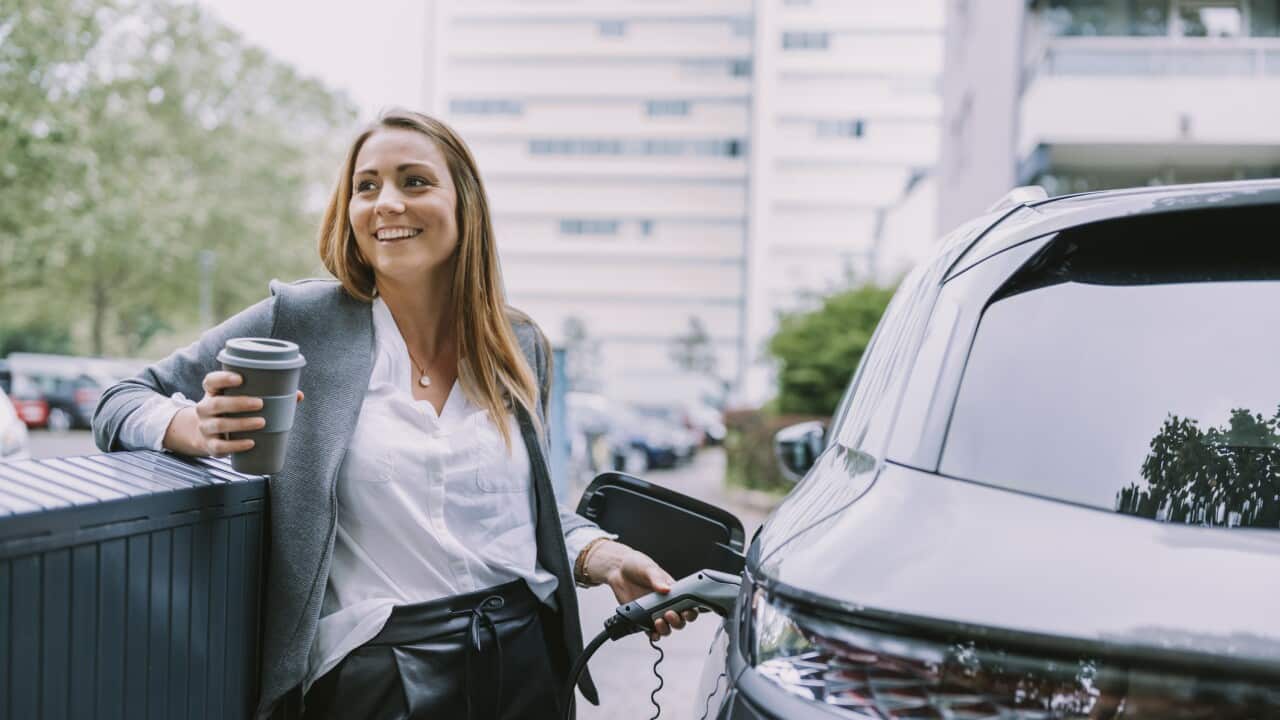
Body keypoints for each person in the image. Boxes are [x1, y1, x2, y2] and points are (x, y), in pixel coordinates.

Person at [92, 109, 696, 720]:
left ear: (465, 203)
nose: (387, 203)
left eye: (414, 182)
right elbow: (117, 399)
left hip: (527, 664)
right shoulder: (302, 322)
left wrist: (604, 556)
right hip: (377, 678)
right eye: (366, 186)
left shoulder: (519, 345)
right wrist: (188, 427)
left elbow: (527, 517)